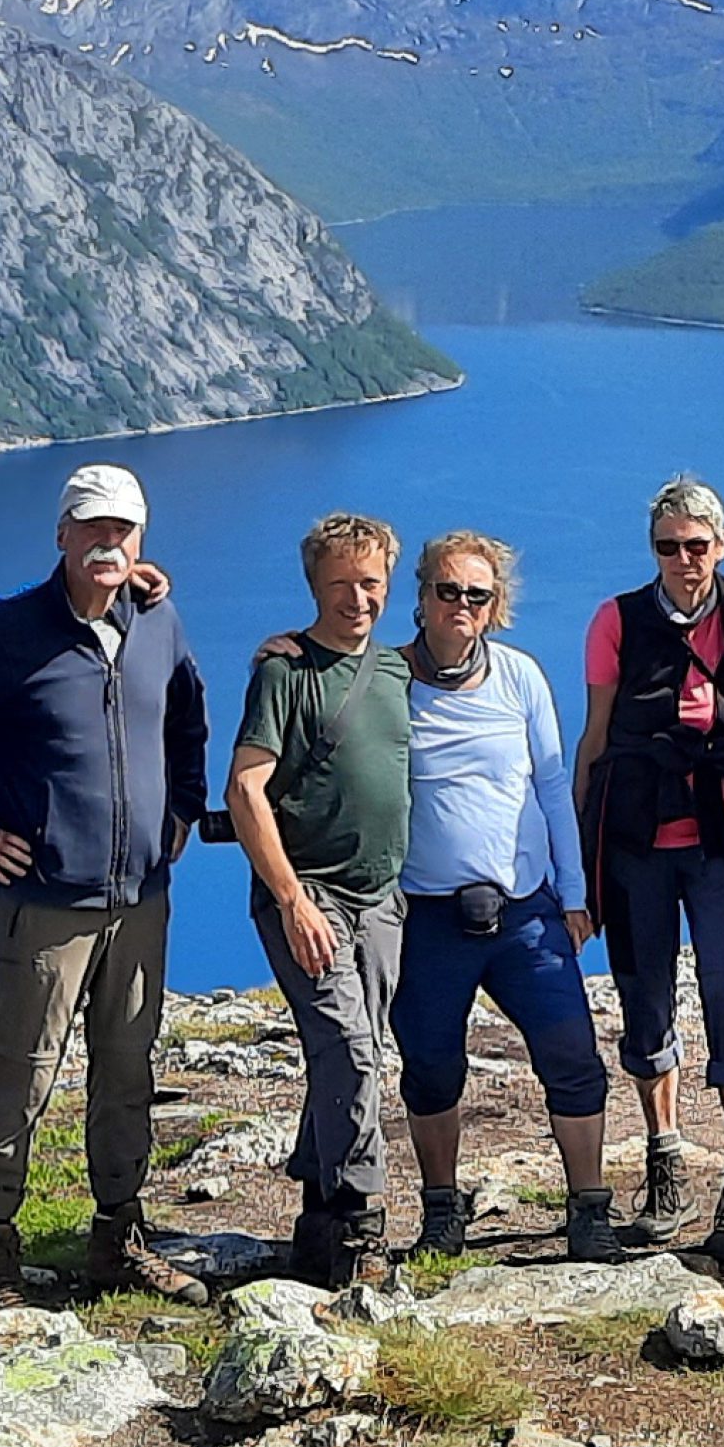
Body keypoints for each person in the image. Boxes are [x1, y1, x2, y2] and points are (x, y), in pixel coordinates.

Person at [0, 462, 211, 1312]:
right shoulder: (9, 632)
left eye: (123, 530)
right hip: (47, 904)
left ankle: (119, 1235)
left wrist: (183, 806)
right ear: (61, 535)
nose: (109, 542)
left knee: (128, 1065)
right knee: (22, 1070)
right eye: (92, 527)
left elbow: (187, 713)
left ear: (141, 539)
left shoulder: (157, 618)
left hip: (141, 897)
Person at [394, 532, 619, 1265]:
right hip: (428, 914)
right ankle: (440, 1210)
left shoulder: (519, 677)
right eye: (447, 592)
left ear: (496, 607)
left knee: (573, 1055)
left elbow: (553, 786)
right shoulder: (387, 683)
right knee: (430, 1067)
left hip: (525, 910)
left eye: (477, 596)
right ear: (421, 598)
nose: (461, 607)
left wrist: (575, 892)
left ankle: (588, 1209)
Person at [573, 474, 724, 1264]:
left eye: (698, 545)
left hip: (723, 842)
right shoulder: (616, 621)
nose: (685, 560)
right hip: (637, 843)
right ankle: (665, 1159)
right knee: (645, 996)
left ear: (721, 547)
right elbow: (595, 740)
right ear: (652, 550)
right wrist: (580, 870)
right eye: (669, 546)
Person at [225, 512, 415, 1287]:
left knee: (351, 1053)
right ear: (313, 586)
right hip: (312, 896)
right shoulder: (285, 672)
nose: (357, 598)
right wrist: (292, 899)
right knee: (353, 1051)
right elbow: (244, 787)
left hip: (381, 899)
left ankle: (316, 1212)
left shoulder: (399, 671)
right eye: (339, 583)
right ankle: (360, 1224)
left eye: (370, 582)